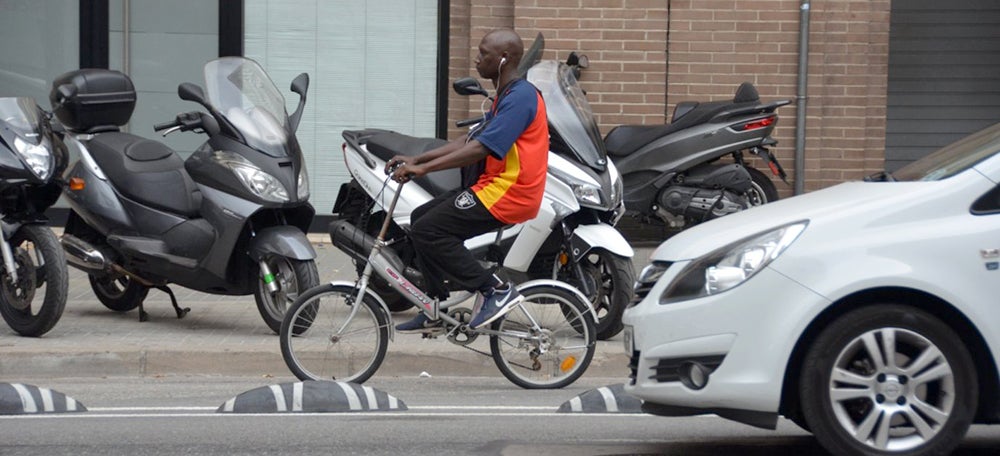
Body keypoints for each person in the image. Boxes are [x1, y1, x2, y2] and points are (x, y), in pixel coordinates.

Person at [387, 28, 549, 332]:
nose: (476, 60)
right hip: (495, 188)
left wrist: (423, 171)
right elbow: (470, 139)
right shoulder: (507, 95)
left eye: (483, 53)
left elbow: (481, 148)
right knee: (421, 219)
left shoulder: (522, 97)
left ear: (503, 59)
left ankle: (494, 290)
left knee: (430, 230)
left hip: (510, 193)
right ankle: (433, 305)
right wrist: (417, 160)